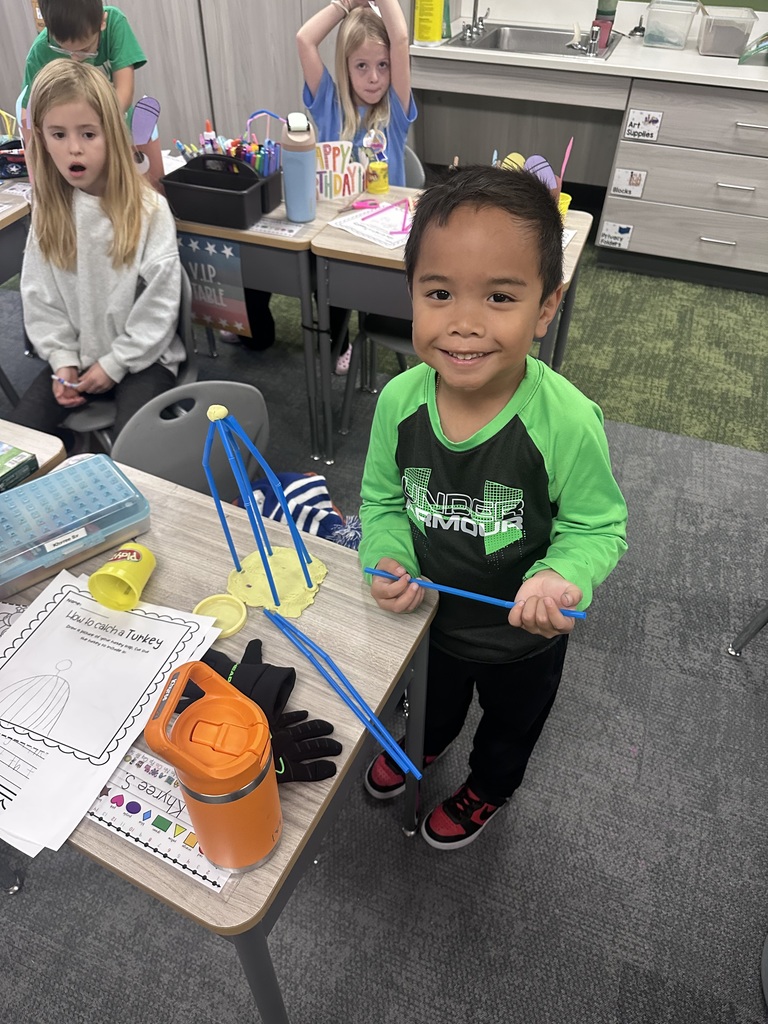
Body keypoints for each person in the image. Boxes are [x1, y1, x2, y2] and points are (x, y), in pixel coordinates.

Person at [359, 166, 628, 850]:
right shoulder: (399, 403)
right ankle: (424, 745)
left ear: (545, 308)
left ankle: (488, 790)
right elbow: (383, 499)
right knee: (433, 706)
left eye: (501, 296)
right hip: (433, 623)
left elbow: (596, 524)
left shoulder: (565, 420)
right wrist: (384, 553)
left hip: (522, 640)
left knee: (510, 729)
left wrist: (562, 575)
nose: (465, 324)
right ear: (412, 293)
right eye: (440, 293)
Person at [224, 0, 417, 366]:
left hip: (373, 238)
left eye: (383, 65)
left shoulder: (394, 109)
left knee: (332, 288)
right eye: (361, 66)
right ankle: (256, 331)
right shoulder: (329, 103)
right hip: (322, 225)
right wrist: (344, 5)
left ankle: (338, 342)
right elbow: (305, 39)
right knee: (260, 256)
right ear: (345, 68)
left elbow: (402, 38)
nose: (374, 77)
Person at [10, 60, 184, 447]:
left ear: (111, 133)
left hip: (143, 359)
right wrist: (61, 360)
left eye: (88, 133)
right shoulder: (49, 214)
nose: (73, 147)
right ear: (40, 137)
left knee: (136, 458)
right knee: (19, 448)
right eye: (58, 134)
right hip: (78, 359)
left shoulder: (148, 211)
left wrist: (115, 362)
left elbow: (159, 307)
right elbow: (40, 300)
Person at [19, 0, 164, 190]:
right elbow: (27, 115)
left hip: (115, 129)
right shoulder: (39, 52)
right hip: (76, 140)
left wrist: (98, 129)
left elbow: (125, 92)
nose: (76, 58)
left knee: (143, 188)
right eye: (63, 50)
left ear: (102, 23)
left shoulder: (114, 23)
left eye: (86, 49)